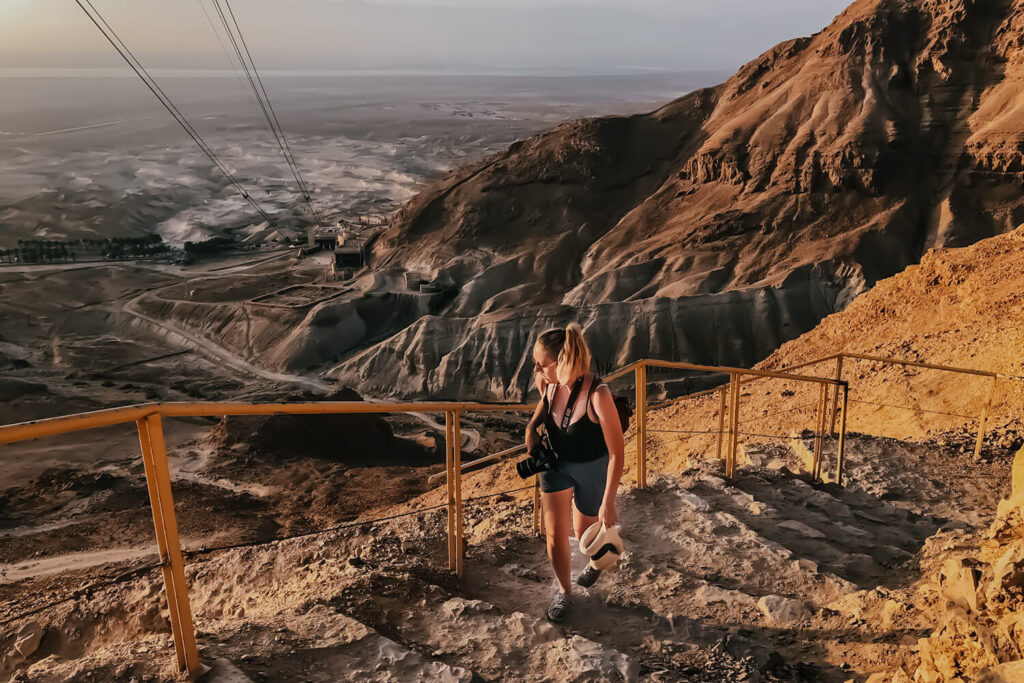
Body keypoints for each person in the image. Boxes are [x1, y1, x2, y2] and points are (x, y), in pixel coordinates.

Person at [525, 323, 625, 622]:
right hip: (555, 467)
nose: (536, 370)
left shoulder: (599, 394)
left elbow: (617, 453)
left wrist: (608, 502)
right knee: (554, 534)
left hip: (591, 469)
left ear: (562, 361)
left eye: (541, 364)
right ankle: (564, 592)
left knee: (586, 537)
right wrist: (531, 427)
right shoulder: (548, 383)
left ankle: (595, 565)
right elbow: (544, 406)